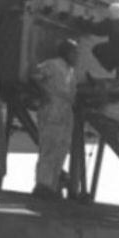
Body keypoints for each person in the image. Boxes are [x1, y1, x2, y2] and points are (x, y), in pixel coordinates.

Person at [30, 38, 79, 199]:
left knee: (62, 147)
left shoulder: (71, 70)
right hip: (52, 107)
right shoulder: (53, 64)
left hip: (65, 110)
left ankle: (52, 185)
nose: (77, 56)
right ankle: (42, 184)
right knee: (49, 147)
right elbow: (35, 75)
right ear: (67, 53)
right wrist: (43, 93)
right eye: (74, 53)